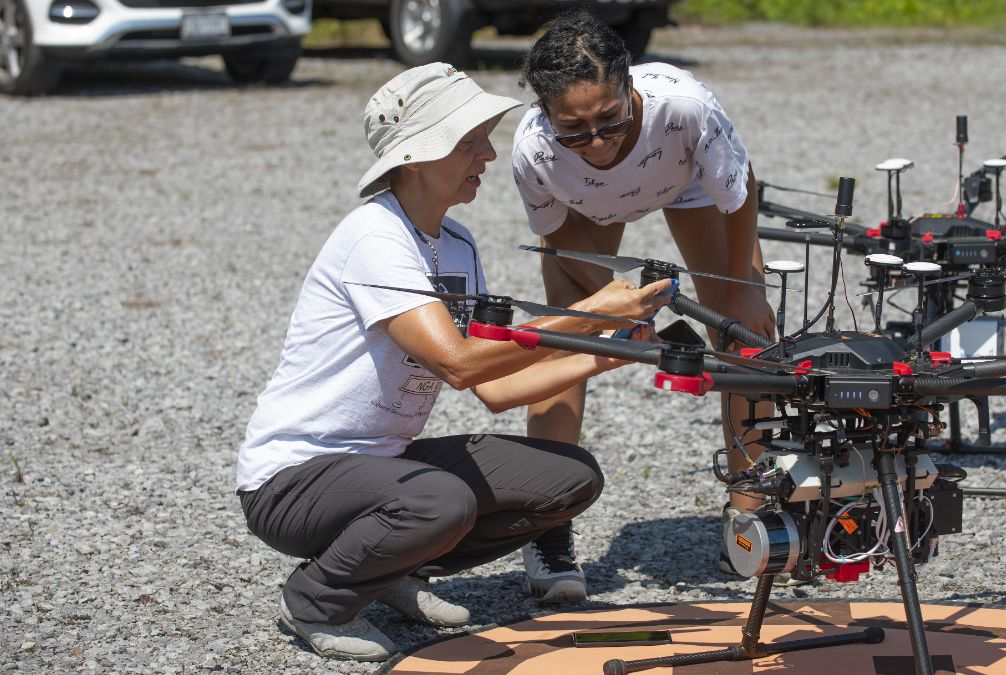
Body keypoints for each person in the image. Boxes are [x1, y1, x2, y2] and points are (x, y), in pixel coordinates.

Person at [236, 63, 672, 662]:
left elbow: (497, 386)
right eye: (468, 143)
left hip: (382, 464)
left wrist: (612, 353)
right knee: (442, 500)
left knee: (570, 479)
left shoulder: (458, 244)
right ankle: (318, 596)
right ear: (417, 156)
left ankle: (387, 570)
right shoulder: (376, 237)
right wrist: (591, 310)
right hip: (291, 480)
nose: (488, 156)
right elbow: (460, 363)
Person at [511, 9, 775, 584]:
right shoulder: (536, 150)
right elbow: (559, 243)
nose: (598, 141)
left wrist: (740, 295)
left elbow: (738, 193)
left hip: (689, 184)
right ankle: (548, 534)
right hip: (589, 207)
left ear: (630, 88)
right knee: (561, 340)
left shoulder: (684, 108)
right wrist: (615, 310)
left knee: (747, 336)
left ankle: (750, 514)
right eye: (574, 129)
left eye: (610, 119)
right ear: (545, 115)